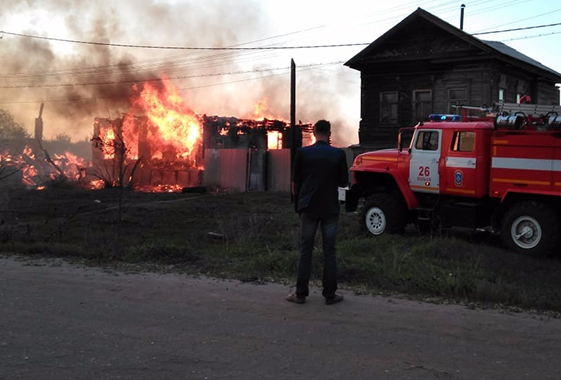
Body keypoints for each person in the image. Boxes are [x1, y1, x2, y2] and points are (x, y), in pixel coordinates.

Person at [287, 120, 349, 305]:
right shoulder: (338, 154)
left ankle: (300, 294)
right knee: (329, 251)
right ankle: (330, 295)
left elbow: (294, 185)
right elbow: (343, 182)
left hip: (309, 207)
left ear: (314, 132)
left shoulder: (302, 153)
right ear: (329, 133)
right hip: (330, 208)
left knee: (306, 250)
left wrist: (299, 204)